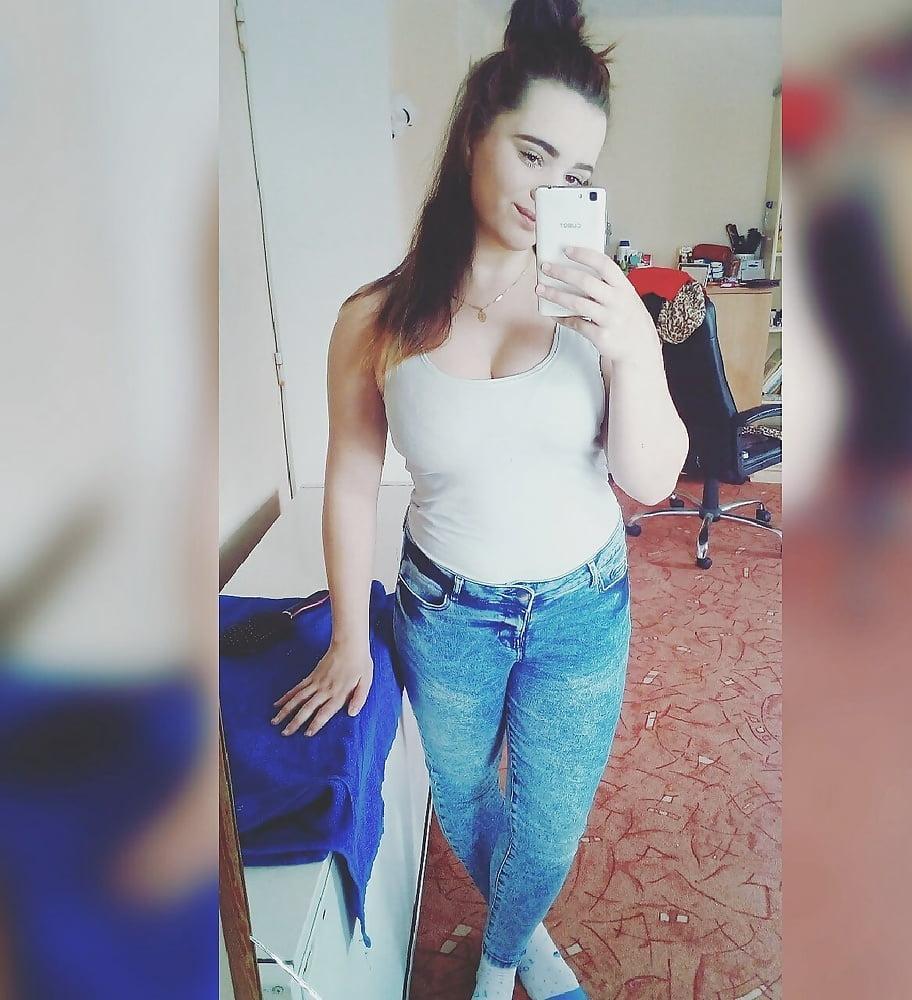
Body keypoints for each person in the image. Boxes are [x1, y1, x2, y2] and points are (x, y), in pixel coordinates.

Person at [271, 2, 688, 997]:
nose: (550, 193)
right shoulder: (374, 319)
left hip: (581, 606)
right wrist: (347, 637)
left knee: (548, 827)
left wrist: (632, 349)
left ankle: (503, 955)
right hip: (446, 611)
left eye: (576, 176)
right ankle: (523, 936)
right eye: (532, 155)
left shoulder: (600, 308)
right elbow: (350, 479)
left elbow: (652, 479)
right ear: (472, 137)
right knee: (462, 798)